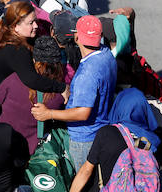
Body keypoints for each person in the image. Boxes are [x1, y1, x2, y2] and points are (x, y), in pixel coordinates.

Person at [31, 15, 116, 172]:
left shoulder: (87, 73)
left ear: (76, 37)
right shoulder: (107, 55)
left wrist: (48, 113)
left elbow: (83, 112)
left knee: (82, 186)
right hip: (100, 128)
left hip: (83, 138)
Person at [0, 36, 68, 154]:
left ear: (34, 60)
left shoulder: (13, 79)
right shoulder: (60, 96)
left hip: (4, 145)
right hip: (34, 152)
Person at [0, 1, 66, 98]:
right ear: (15, 26)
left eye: (35, 21)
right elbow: (31, 79)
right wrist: (62, 88)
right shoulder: (16, 48)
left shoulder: (6, 37)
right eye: (31, 23)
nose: (36, 26)